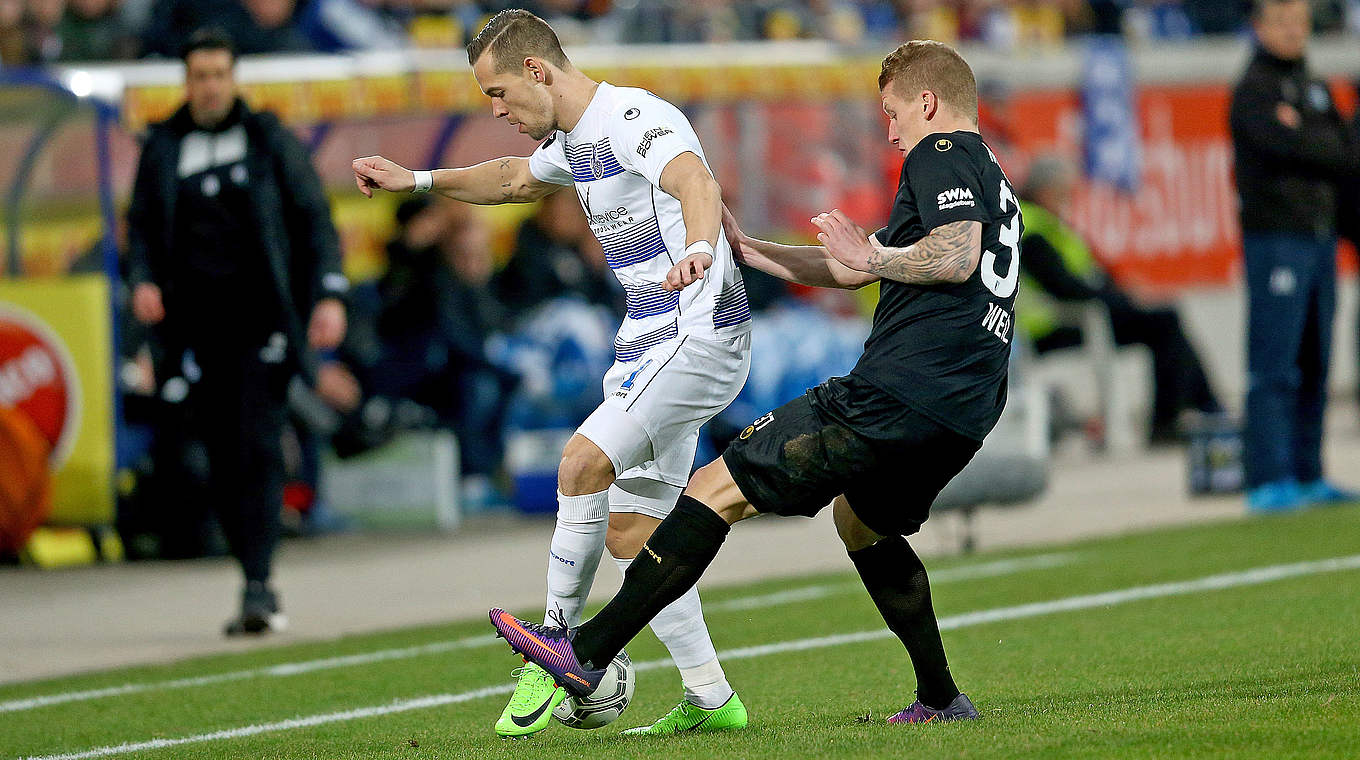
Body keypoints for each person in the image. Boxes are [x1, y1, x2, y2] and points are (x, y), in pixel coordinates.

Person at [490, 38, 1018, 726]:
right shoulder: (989, 175)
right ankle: (942, 697)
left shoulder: (939, 154)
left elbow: (952, 258)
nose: (890, 131)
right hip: (965, 407)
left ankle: (585, 651)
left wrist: (874, 251)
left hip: (901, 390)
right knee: (861, 522)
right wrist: (756, 252)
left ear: (928, 102)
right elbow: (870, 268)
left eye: (894, 113)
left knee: (715, 488)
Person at [352, 9, 753, 738]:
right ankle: (710, 695)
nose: (496, 110)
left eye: (499, 93)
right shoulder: (572, 138)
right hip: (650, 339)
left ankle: (557, 647)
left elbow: (693, 178)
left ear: (537, 70)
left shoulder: (632, 117)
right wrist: (415, 179)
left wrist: (697, 246)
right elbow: (510, 180)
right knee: (636, 535)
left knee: (579, 464)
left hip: (695, 332)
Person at [126, 28, 348, 634]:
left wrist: (328, 295)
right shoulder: (164, 148)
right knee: (219, 454)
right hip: (195, 332)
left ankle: (257, 581)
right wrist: (142, 281)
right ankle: (251, 575)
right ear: (186, 82)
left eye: (218, 74)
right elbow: (141, 229)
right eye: (199, 76)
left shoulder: (268, 140)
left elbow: (314, 221)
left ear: (233, 78)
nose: (209, 86)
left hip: (262, 324)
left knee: (256, 442)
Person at [1229, 0, 1360, 511]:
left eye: (1300, 23)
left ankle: (1308, 472)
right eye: (1282, 22)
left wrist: (1306, 133)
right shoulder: (1253, 92)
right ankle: (1267, 477)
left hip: (1320, 238)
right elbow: (1293, 148)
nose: (1293, 32)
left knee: (1316, 360)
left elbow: (1344, 151)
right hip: (1275, 239)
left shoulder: (1315, 85)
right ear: (1260, 27)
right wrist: (1313, 138)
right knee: (1274, 360)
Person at [1017, 154, 1222, 443]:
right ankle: (1182, 417)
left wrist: (1125, 295)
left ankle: (1207, 409)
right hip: (1055, 327)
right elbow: (1066, 288)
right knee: (1164, 322)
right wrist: (1125, 302)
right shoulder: (1031, 227)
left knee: (1166, 319)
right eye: (1064, 194)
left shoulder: (1047, 222)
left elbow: (1092, 274)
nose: (1068, 201)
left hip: (1082, 316)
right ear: (1046, 191)